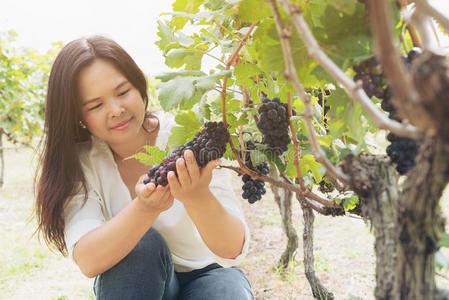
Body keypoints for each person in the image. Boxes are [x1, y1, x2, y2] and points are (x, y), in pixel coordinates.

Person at [34, 35, 255, 300]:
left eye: (123, 92)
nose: (116, 110)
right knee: (140, 247)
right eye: (95, 105)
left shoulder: (187, 136)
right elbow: (88, 260)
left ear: (139, 87)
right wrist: (145, 209)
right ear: (78, 117)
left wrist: (197, 196)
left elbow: (232, 249)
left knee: (225, 290)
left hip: (210, 272)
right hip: (137, 281)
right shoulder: (83, 163)